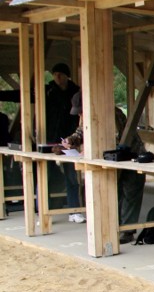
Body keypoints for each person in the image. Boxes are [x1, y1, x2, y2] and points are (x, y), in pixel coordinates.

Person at [59, 92, 147, 239]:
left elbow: (115, 138)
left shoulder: (111, 113)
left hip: (131, 155)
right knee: (116, 192)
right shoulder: (86, 115)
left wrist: (92, 149)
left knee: (130, 192)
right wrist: (71, 141)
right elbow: (80, 132)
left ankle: (127, 231)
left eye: (81, 111)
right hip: (113, 158)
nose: (80, 115)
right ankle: (116, 227)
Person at [46, 63, 84, 223]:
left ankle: (74, 210)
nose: (57, 77)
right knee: (44, 176)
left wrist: (72, 139)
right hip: (50, 137)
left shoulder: (75, 92)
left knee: (71, 176)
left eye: (60, 74)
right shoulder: (48, 91)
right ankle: (43, 211)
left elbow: (78, 120)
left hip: (71, 139)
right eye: (55, 74)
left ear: (67, 75)